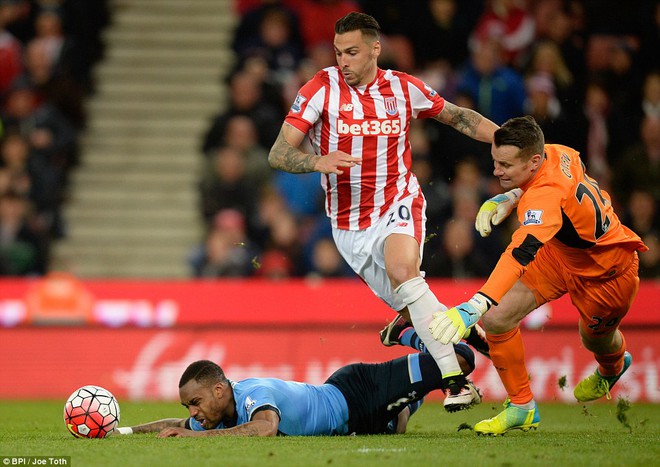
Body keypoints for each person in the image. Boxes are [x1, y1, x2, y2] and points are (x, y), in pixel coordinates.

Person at [267, 11, 499, 411]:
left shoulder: (402, 88)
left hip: (398, 201)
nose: (344, 61)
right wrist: (315, 162)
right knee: (413, 302)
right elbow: (278, 153)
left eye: (352, 52)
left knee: (404, 273)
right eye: (339, 52)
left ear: (376, 49)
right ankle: (436, 329)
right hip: (349, 227)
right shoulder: (320, 89)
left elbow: (458, 117)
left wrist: (506, 139)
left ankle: (455, 382)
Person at [428, 116, 649, 435]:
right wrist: (510, 197)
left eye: (504, 164)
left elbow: (520, 253)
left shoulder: (543, 199)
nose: (496, 171)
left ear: (532, 160)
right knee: (496, 319)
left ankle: (613, 366)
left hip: (607, 275)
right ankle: (522, 406)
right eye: (495, 162)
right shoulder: (558, 151)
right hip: (561, 255)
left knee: (594, 339)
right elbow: (559, 192)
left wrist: (474, 305)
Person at [112, 343, 478, 437]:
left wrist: (190, 439)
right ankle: (407, 403)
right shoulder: (213, 417)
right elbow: (174, 424)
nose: (192, 412)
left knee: (459, 358)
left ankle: (405, 334)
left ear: (220, 390)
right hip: (355, 425)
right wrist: (122, 431)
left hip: (357, 390)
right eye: (188, 406)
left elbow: (266, 428)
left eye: (196, 402)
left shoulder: (251, 393)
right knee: (396, 424)